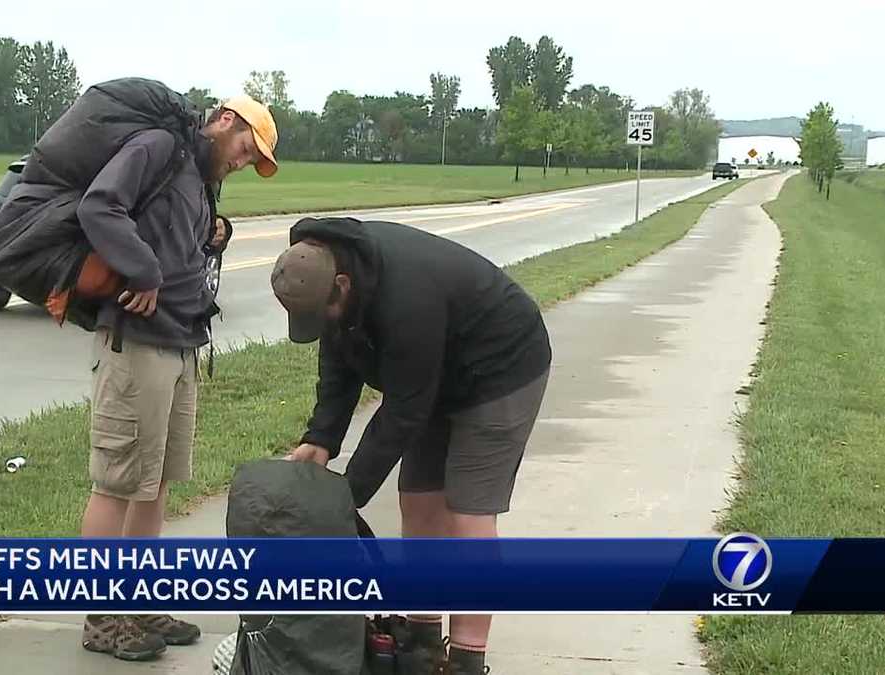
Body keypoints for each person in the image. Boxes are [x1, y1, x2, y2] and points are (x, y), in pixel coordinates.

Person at [272, 216, 551, 675]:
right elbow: (341, 361)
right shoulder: (333, 276)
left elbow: (404, 410)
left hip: (501, 368)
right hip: (434, 375)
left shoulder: (406, 298)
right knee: (419, 501)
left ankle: (466, 656)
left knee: (469, 512)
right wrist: (320, 439)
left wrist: (347, 493)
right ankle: (422, 635)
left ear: (342, 285)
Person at [77, 94, 278, 662]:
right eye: (247, 147)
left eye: (254, 157)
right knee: (117, 482)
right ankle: (101, 617)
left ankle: (136, 602)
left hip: (180, 341)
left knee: (156, 481)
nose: (244, 160)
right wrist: (140, 268)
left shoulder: (198, 176)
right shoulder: (159, 148)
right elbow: (99, 207)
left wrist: (214, 233)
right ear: (225, 120)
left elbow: (172, 239)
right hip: (136, 342)